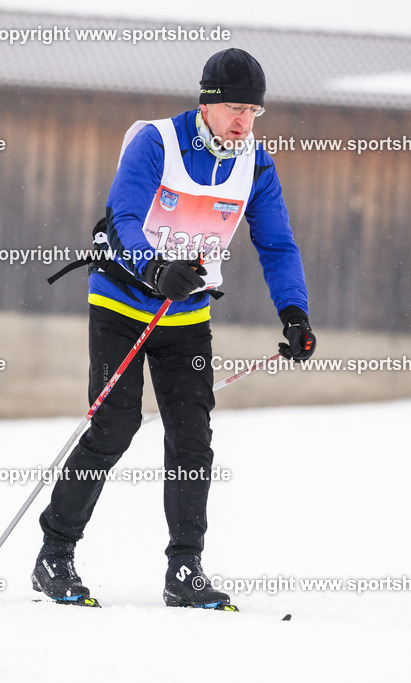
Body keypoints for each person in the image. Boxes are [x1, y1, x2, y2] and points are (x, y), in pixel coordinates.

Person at [33, 48, 316, 610]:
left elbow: (277, 243)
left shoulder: (256, 164)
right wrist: (156, 268)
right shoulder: (156, 142)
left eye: (253, 112)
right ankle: (55, 555)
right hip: (121, 304)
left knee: (192, 437)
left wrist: (294, 312)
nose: (244, 122)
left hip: (186, 317)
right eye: (235, 109)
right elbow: (123, 217)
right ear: (207, 104)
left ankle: (185, 569)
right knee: (114, 427)